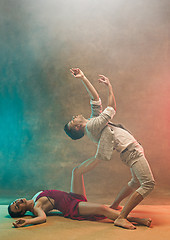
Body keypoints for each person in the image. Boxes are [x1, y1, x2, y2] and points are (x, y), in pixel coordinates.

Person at [64, 68, 155, 230]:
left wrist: (83, 77)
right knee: (148, 184)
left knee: (135, 182)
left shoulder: (92, 121)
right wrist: (110, 87)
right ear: (78, 127)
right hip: (131, 152)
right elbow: (112, 108)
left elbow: (95, 99)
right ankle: (121, 217)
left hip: (131, 149)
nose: (74, 116)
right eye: (73, 120)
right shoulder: (92, 126)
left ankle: (114, 205)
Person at [8, 167, 152, 229]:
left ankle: (101, 155)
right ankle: (136, 219)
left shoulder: (34, 198)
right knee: (102, 209)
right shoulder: (35, 208)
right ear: (21, 212)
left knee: (76, 171)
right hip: (73, 208)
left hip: (73, 197)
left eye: (14, 202)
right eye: (16, 207)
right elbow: (42, 218)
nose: (17, 202)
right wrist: (27, 221)